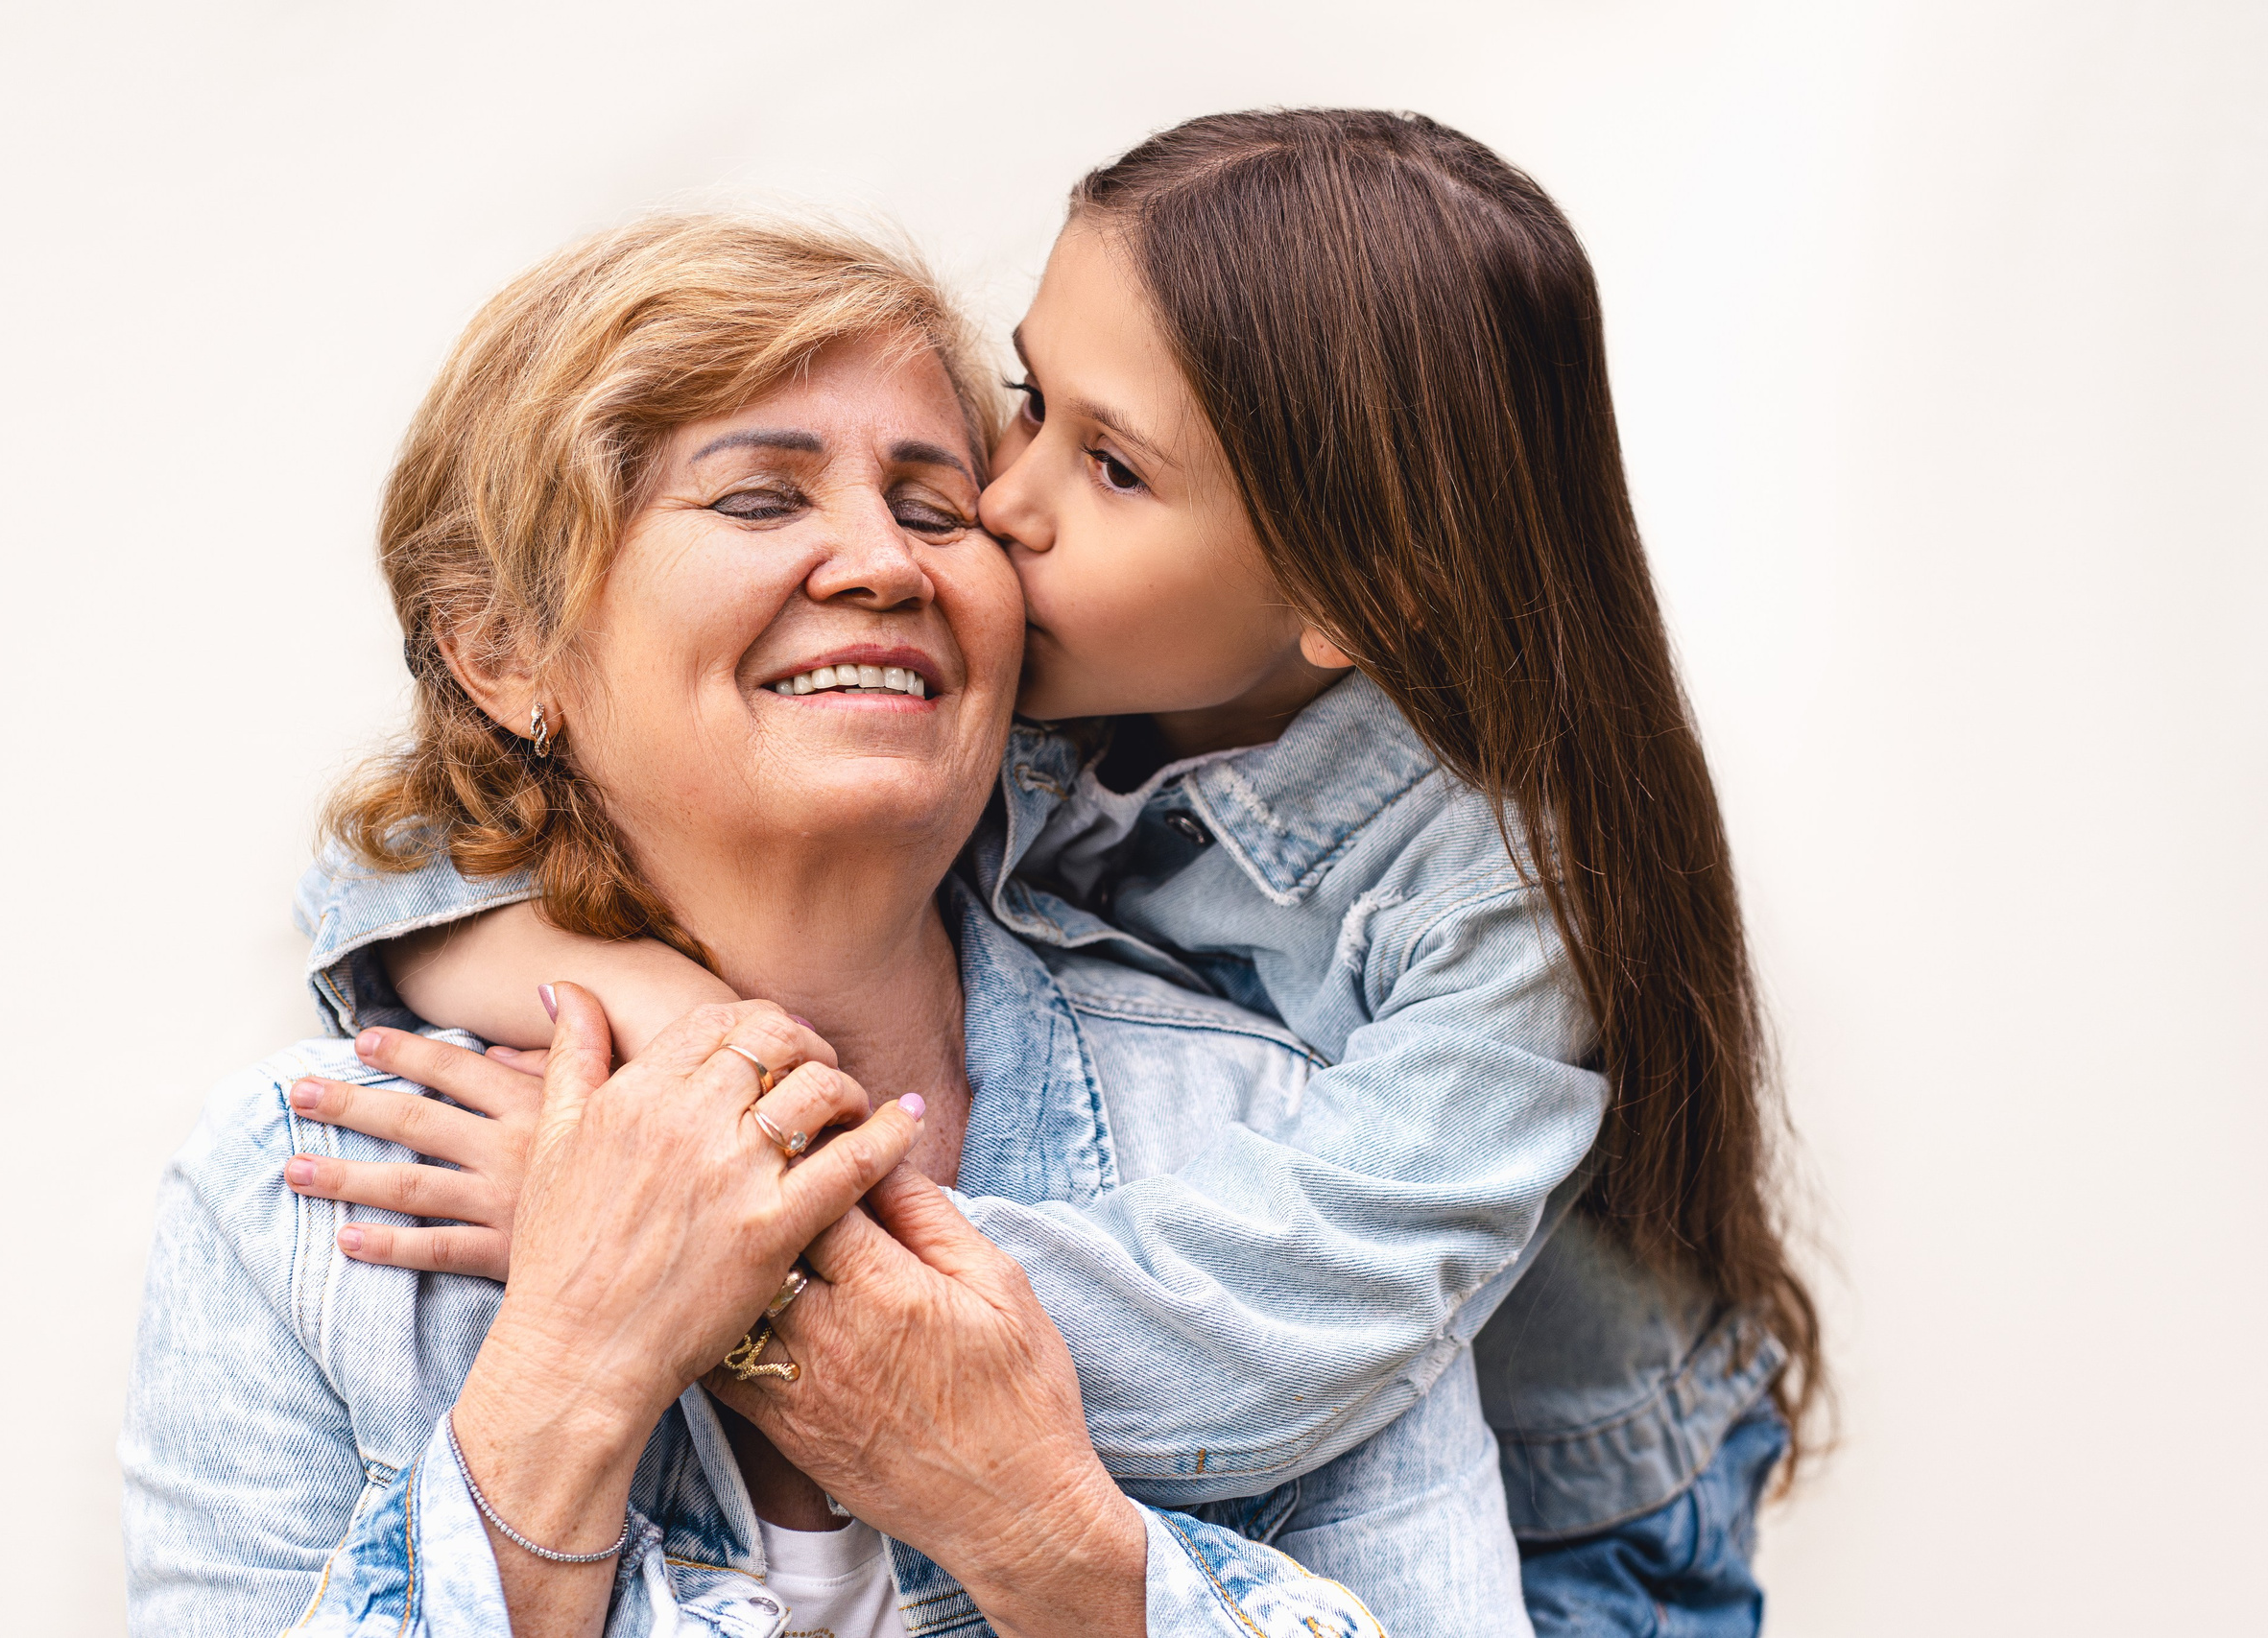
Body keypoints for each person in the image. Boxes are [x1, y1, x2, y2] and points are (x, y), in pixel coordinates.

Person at [288, 110, 1822, 1635]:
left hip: (1593, 1522)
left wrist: (717, 1242)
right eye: (1032, 403)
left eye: (1112, 468)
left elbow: (1267, 1336)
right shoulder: (1029, 673)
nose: (997, 505)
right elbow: (413, 851)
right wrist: (669, 1026)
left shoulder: (1498, 908)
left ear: (1361, 586)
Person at [122, 214, 1529, 1638]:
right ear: (505, 652)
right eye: (757, 501)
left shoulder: (1259, 1124)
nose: (886, 563)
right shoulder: (300, 1193)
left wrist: (1031, 1528)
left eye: (935, 509)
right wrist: (575, 1366)